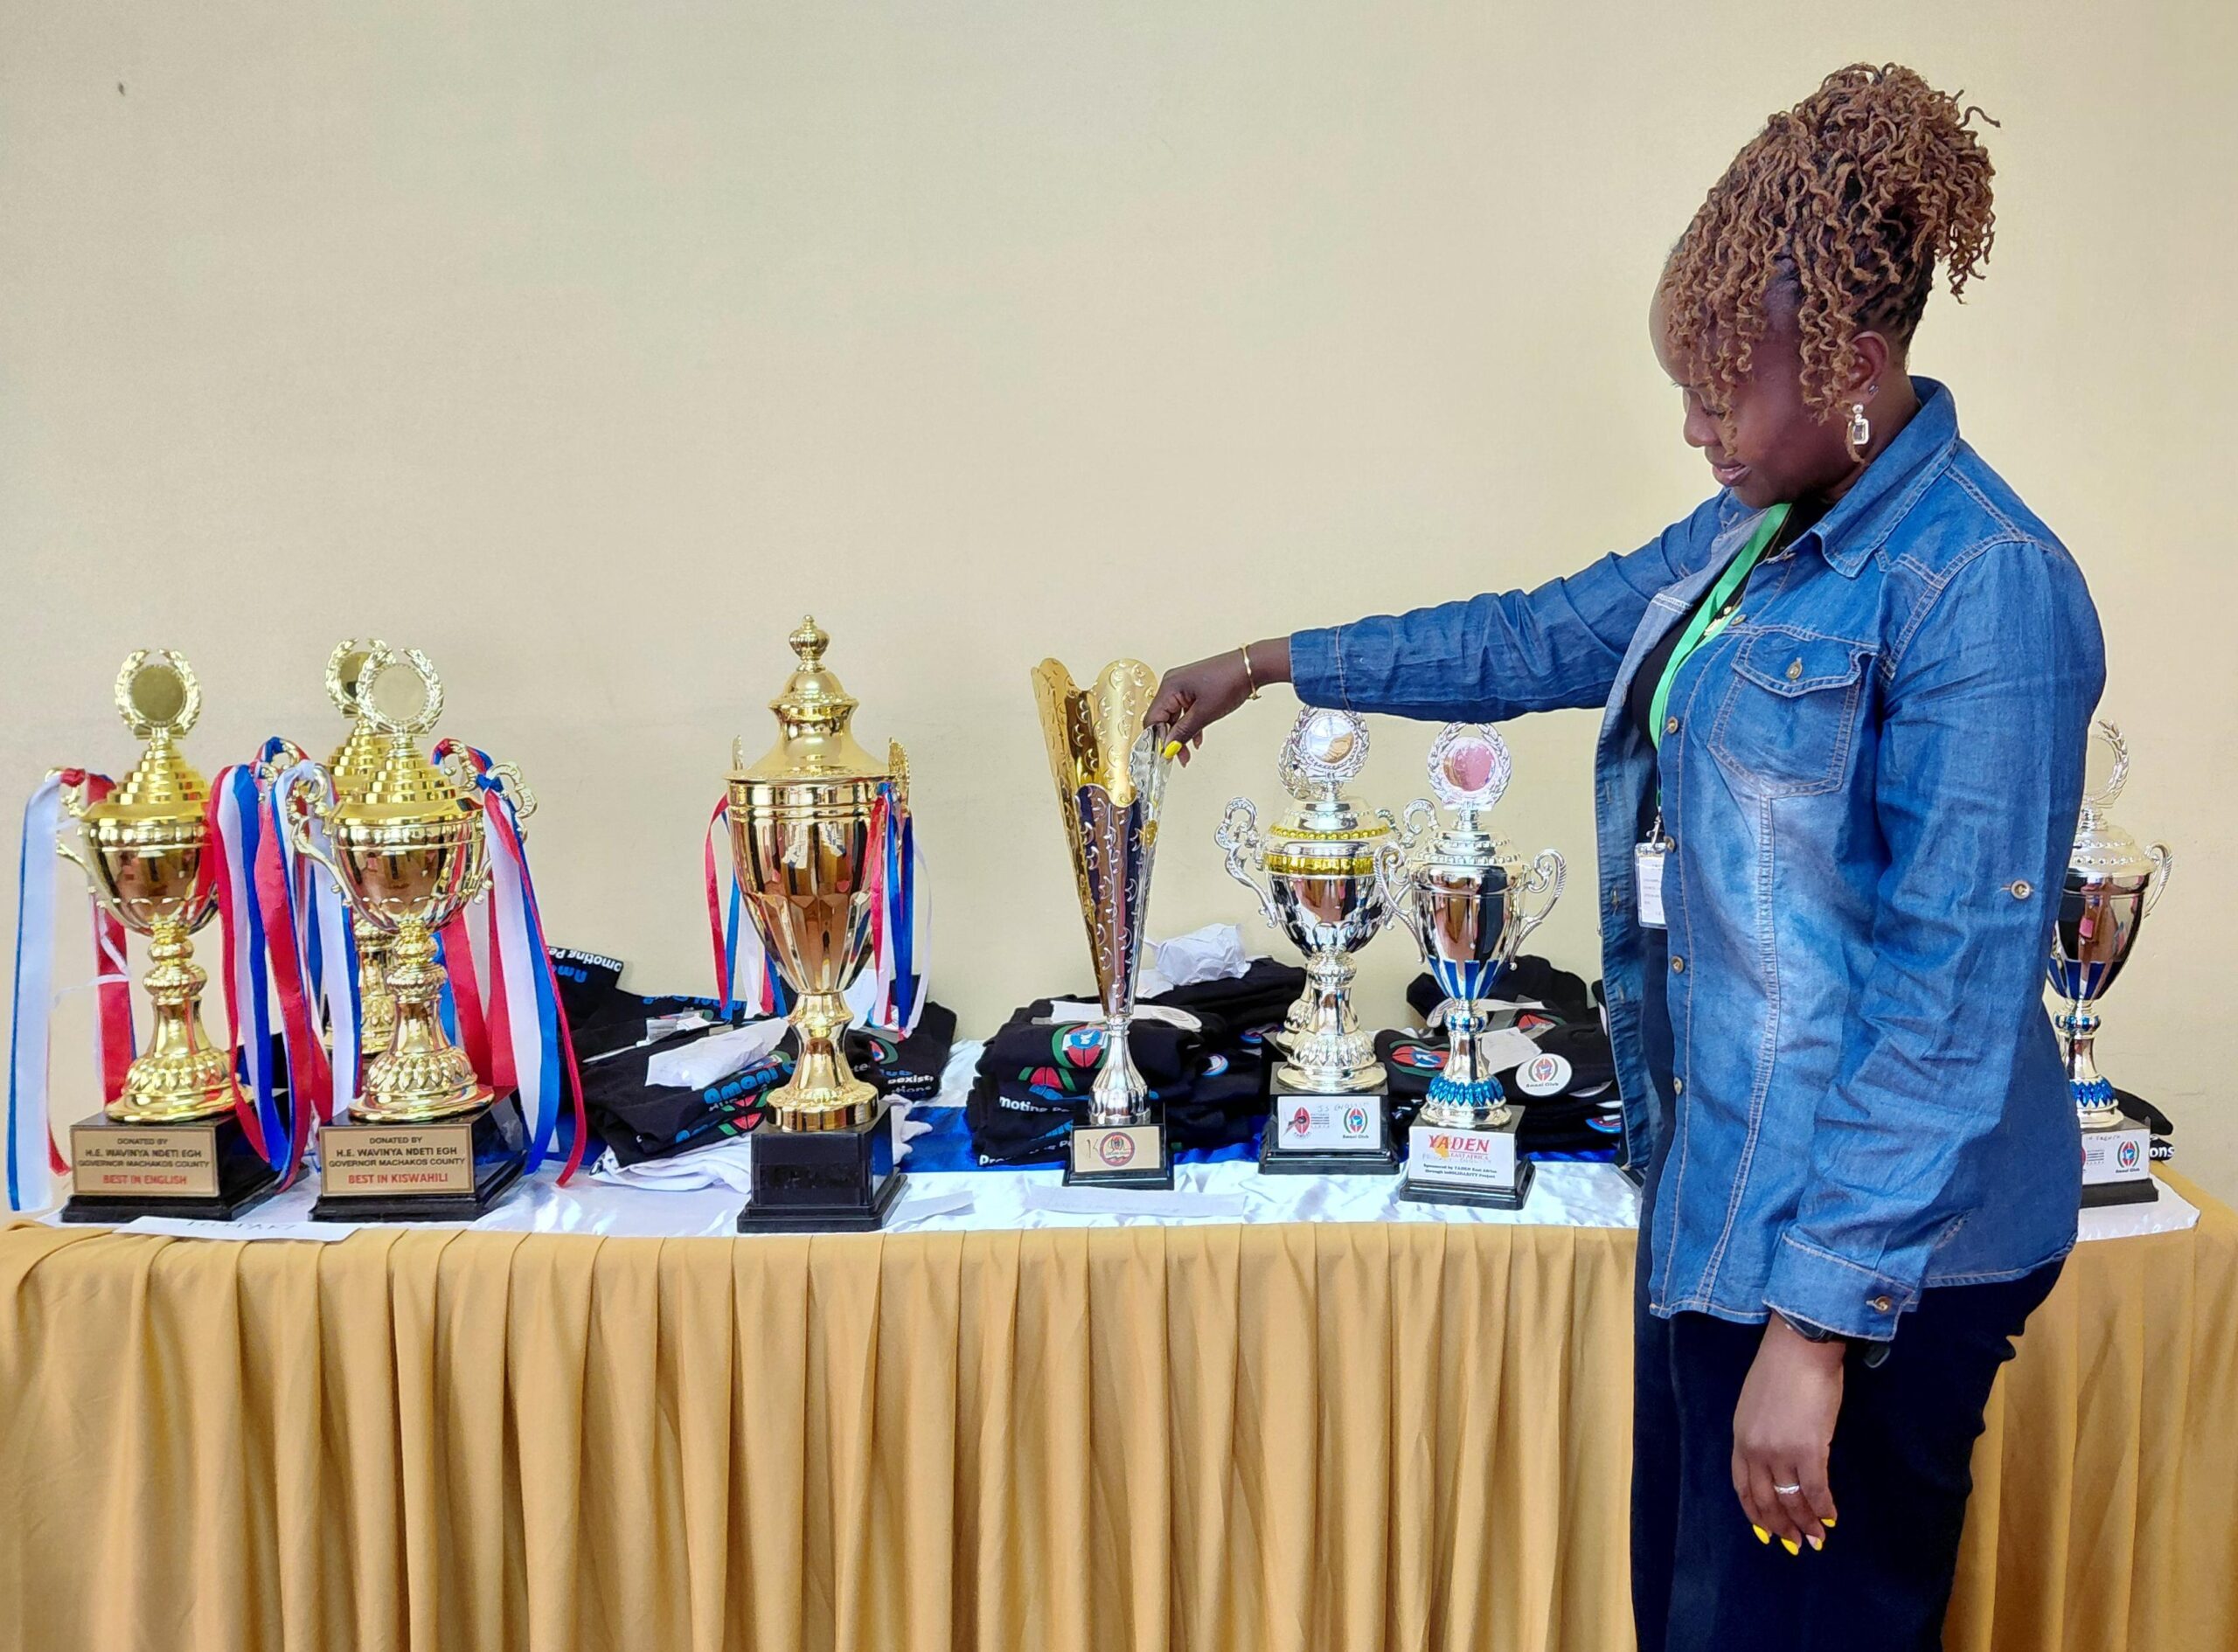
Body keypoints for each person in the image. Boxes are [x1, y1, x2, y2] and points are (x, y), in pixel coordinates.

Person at [1146, 64, 2101, 1652]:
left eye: (1725, 390)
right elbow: (1536, 633)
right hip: (1731, 1213)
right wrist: (1270, 663)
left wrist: (1815, 1327)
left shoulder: (1982, 584)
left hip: (1873, 1267)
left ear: (1856, 368)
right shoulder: (1754, 536)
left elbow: (1945, 998)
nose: (1695, 428)